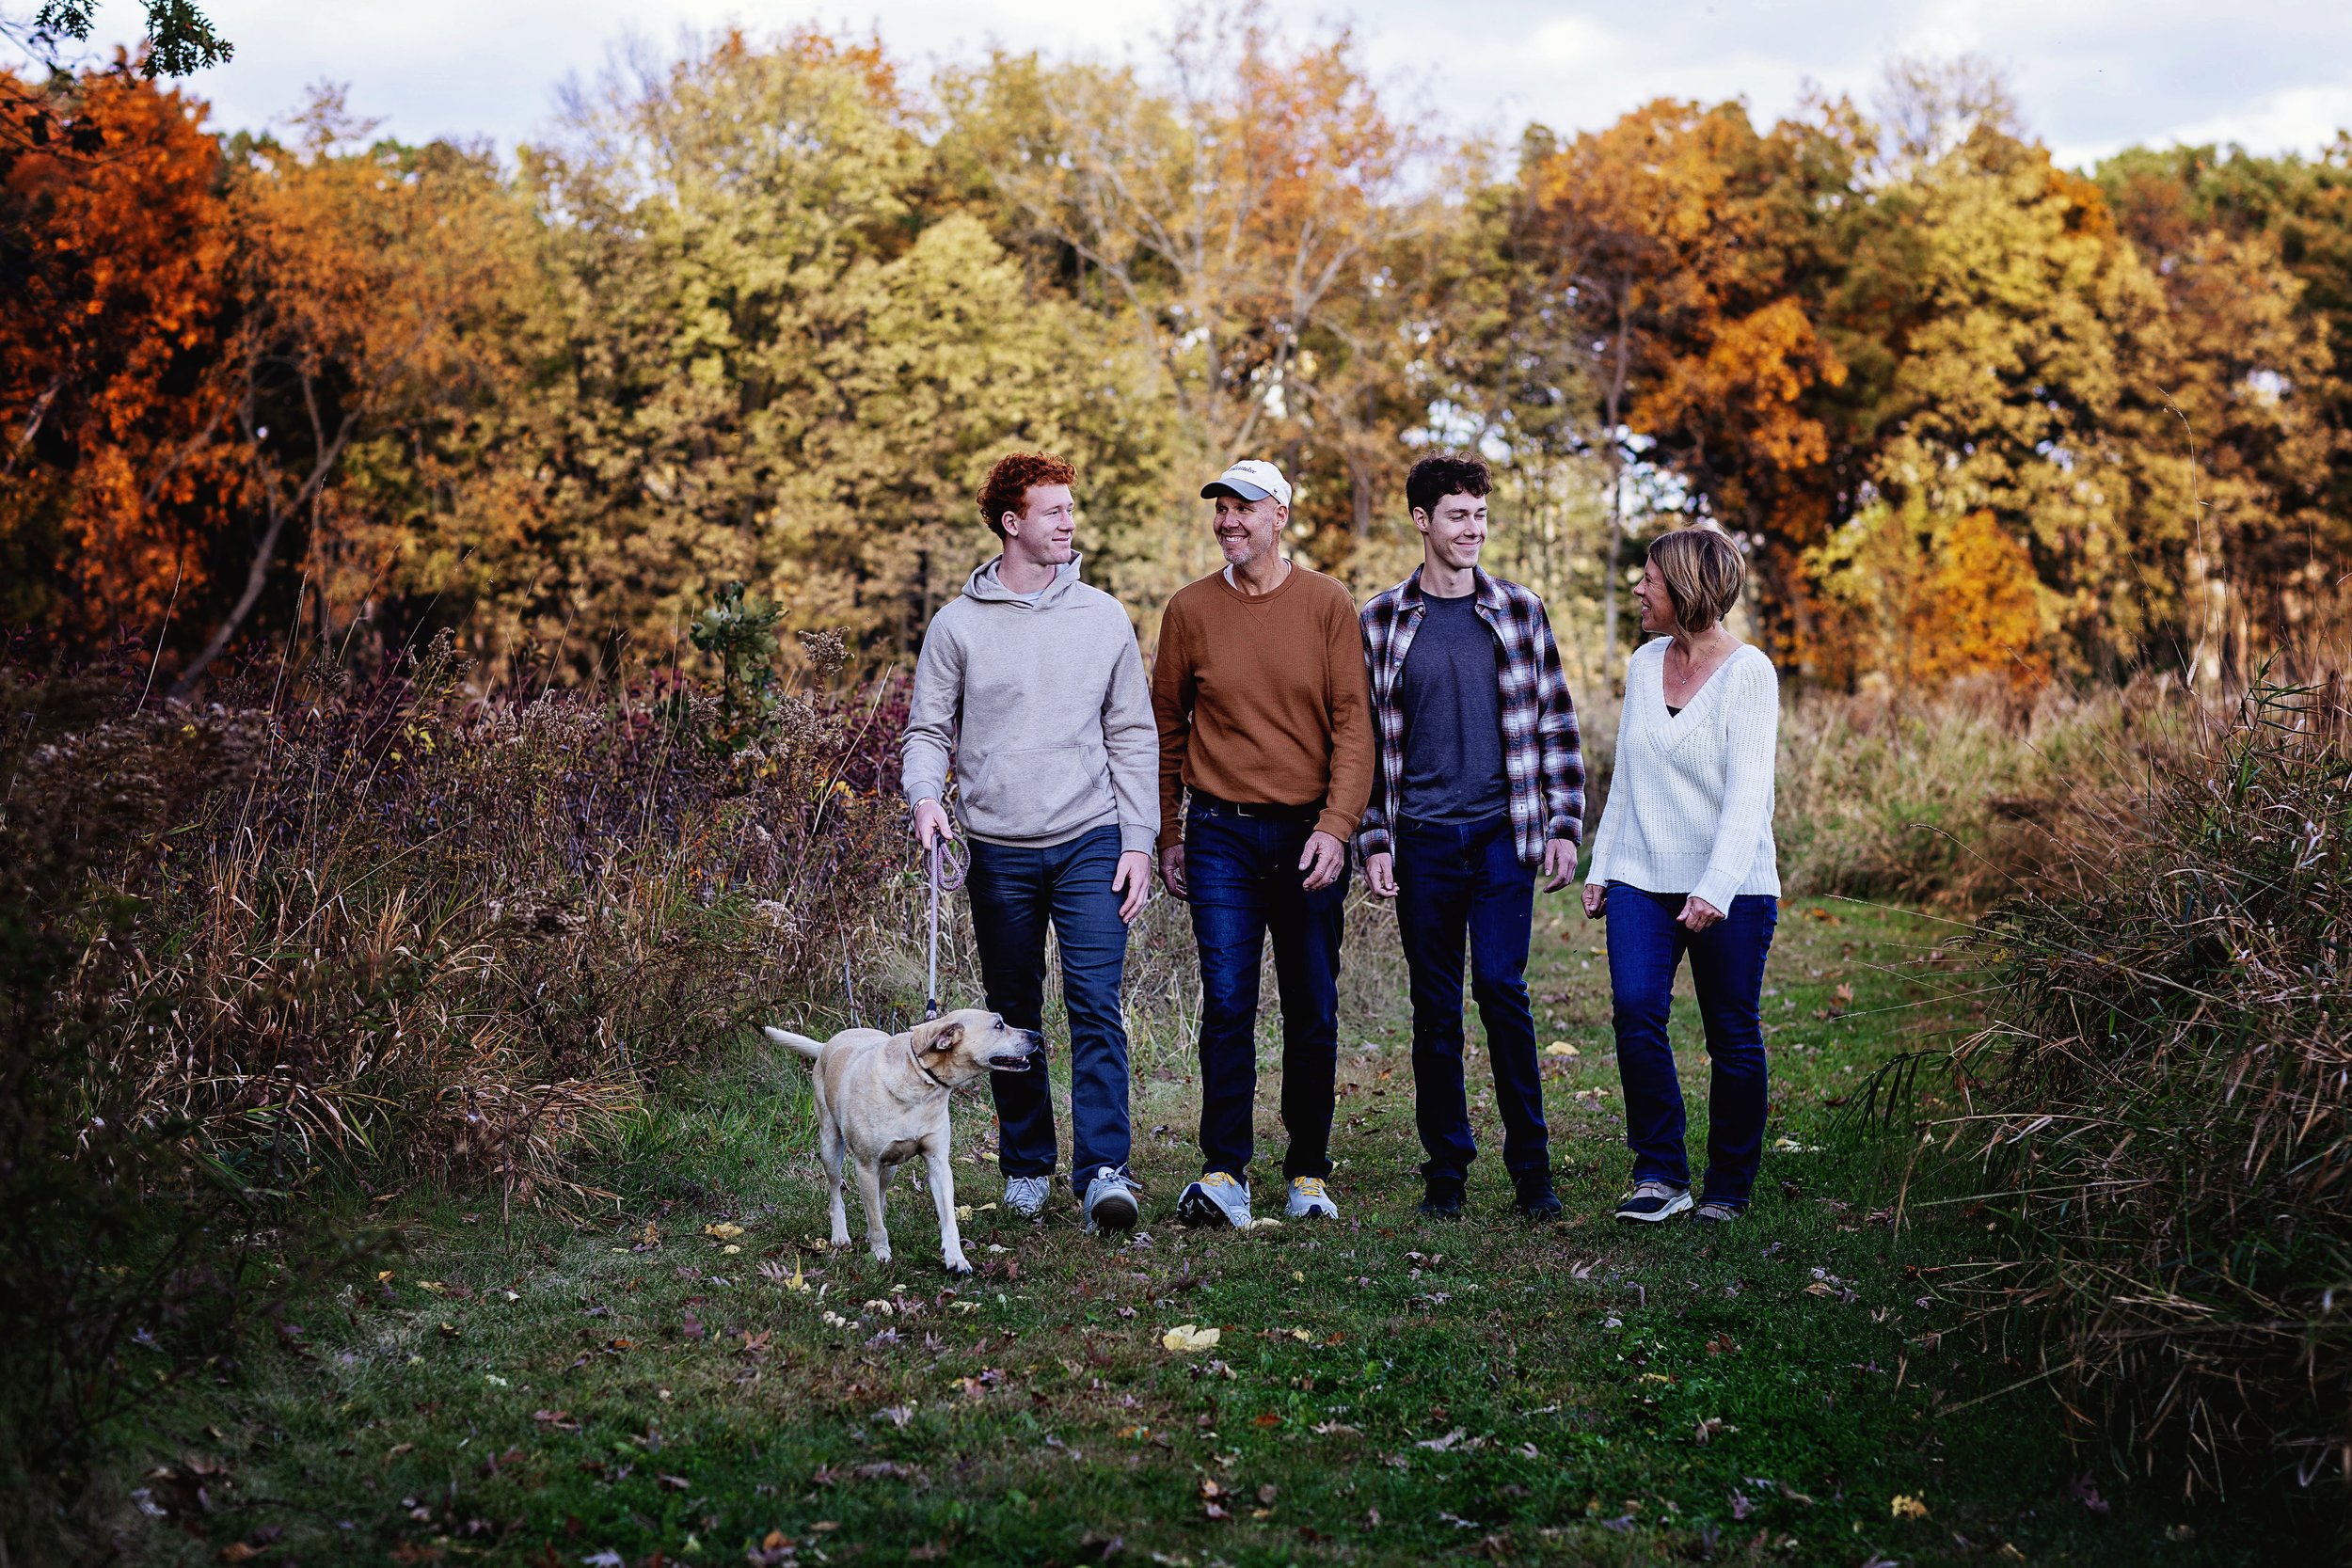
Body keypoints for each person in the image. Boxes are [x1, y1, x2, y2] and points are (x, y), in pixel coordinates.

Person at [901, 451, 1158, 1233]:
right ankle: (1024, 1166)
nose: (1068, 523)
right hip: (998, 848)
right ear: (1012, 523)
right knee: (1011, 1014)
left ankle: (1104, 1171)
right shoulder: (957, 625)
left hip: (1090, 839)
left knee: (1094, 1004)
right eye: (1053, 511)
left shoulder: (1104, 615)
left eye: (1069, 509)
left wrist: (1139, 838)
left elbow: (1133, 733)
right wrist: (923, 800)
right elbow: (926, 730)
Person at [1359, 452, 1584, 1223]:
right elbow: (1365, 745)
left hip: (1500, 836)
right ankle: (1446, 1170)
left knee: (1501, 988)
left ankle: (1533, 1171)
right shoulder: (1382, 620)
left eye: (1480, 516)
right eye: (1458, 516)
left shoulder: (1519, 610)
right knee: (1434, 1009)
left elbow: (1556, 720)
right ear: (1422, 521)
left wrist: (1562, 821)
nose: (1472, 530)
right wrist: (1375, 839)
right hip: (1419, 839)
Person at [1152, 458, 1375, 1227]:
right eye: (1220, 509)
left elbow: (1355, 724)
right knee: (1228, 1003)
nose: (1227, 522)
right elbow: (1165, 731)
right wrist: (1170, 833)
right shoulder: (1188, 611)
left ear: (1280, 514)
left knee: (1312, 1006)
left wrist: (1337, 827)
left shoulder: (1327, 605)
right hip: (1219, 837)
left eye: (1243, 508)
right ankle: (1224, 1172)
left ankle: (1308, 1173)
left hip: (1310, 832)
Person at [1581, 527, 1781, 1226]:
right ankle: (1661, 1173)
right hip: (1642, 873)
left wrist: (1714, 887)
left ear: (1689, 589)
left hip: (1735, 885)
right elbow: (1629, 780)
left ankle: (1728, 1184)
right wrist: (1604, 864)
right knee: (1637, 1012)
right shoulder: (1643, 665)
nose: (1638, 588)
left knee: (1731, 1032)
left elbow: (1748, 795)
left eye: (1651, 579)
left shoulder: (1750, 672)